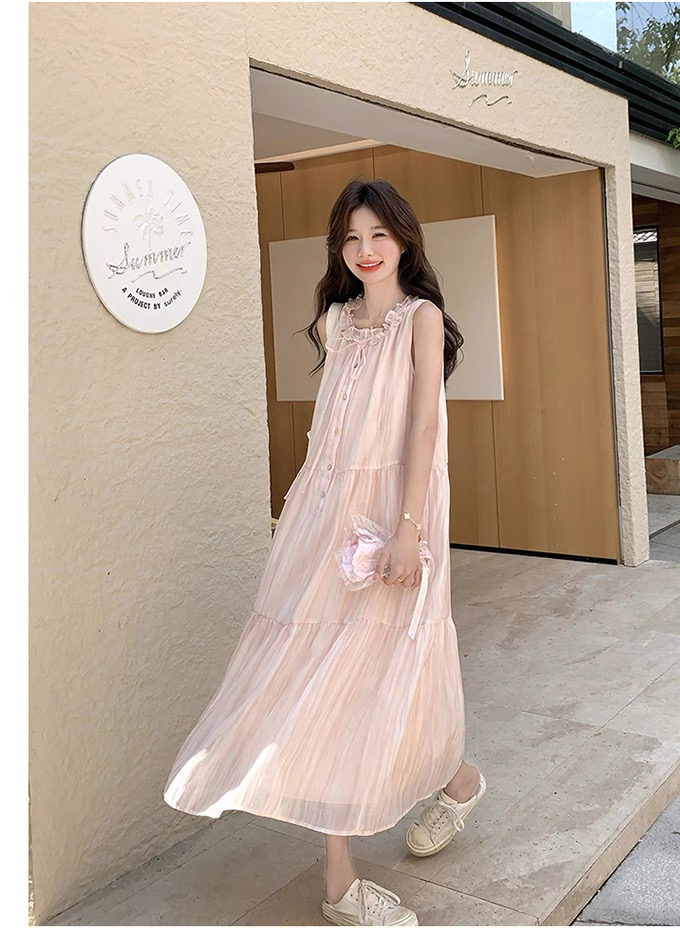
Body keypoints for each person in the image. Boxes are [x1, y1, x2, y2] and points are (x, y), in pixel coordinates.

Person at [163, 178, 486, 926]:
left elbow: (423, 429)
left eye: (378, 235)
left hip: (398, 511)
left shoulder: (421, 319)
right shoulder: (334, 322)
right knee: (324, 674)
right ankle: (347, 876)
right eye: (351, 238)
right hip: (326, 515)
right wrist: (303, 517)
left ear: (404, 239)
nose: (365, 250)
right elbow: (329, 440)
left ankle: (456, 781)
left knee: (394, 666)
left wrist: (408, 528)